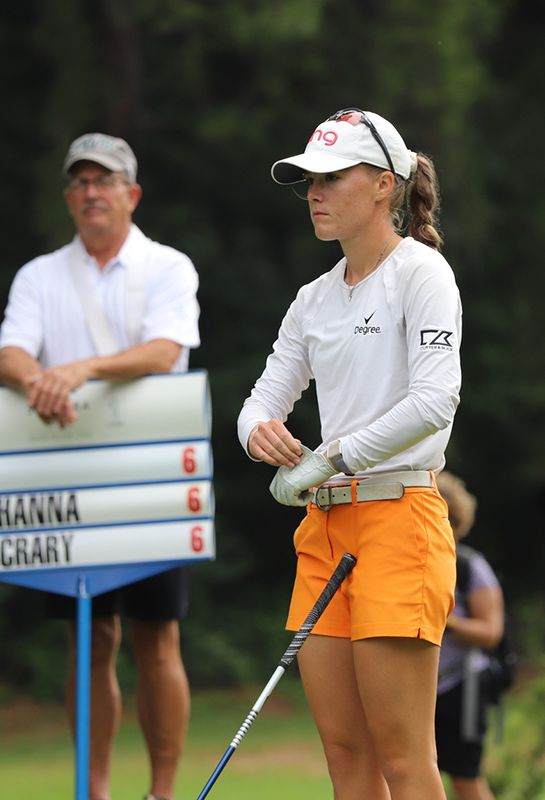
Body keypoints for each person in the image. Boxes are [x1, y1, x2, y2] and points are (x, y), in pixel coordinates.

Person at [237, 108, 462, 800]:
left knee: (403, 757)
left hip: (400, 522)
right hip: (326, 533)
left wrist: (329, 459)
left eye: (333, 177)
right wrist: (259, 436)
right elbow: (260, 402)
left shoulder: (422, 274)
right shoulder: (313, 299)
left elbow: (434, 401)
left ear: (384, 186)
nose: (315, 192)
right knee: (345, 757)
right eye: (308, 180)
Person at [0, 132, 200, 800]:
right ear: (68, 197)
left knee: (158, 636)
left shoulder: (168, 267)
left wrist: (76, 370)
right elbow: (10, 356)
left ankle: (162, 791)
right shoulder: (39, 275)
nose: (91, 192)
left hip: (155, 472)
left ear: (130, 194)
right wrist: (37, 381)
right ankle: (96, 790)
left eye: (103, 180)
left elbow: (164, 352)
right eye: (80, 182)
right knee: (90, 637)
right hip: (71, 479)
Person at [435, 471, 504, 800]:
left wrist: (446, 619)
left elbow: (491, 632)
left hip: (462, 688)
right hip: (414, 687)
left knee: (465, 779)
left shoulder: (470, 567)